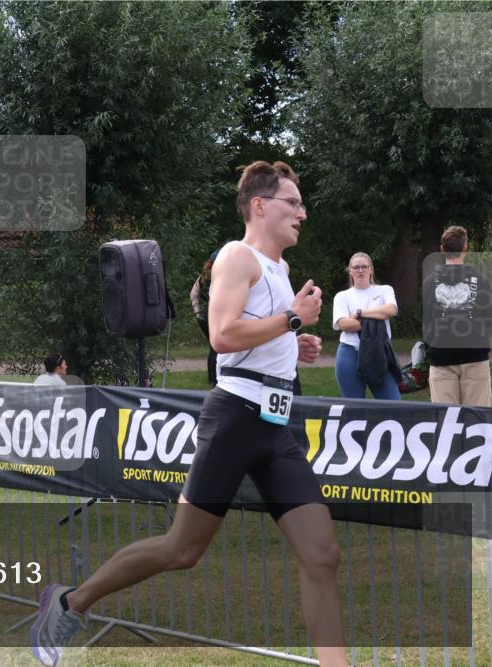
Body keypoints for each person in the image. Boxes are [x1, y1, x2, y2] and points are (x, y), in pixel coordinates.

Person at [31, 161, 345, 667]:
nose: (302, 214)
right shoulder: (236, 257)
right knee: (182, 549)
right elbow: (222, 336)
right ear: (260, 206)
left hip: (275, 427)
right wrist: (290, 319)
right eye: (293, 202)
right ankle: (69, 602)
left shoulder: (281, 271)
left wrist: (294, 340)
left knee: (322, 555)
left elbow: (255, 334)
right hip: (236, 419)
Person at [422, 225, 492, 406]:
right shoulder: (482, 280)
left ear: (442, 250)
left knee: (447, 424)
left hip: (441, 358)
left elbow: (427, 320)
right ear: (465, 249)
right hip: (475, 356)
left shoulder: (429, 283)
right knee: (477, 422)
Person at [332, 252, 402, 400]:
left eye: (364, 266)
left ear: (371, 269)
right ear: (350, 270)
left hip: (379, 352)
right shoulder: (342, 296)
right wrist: (377, 318)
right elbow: (344, 324)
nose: (360, 270)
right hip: (349, 353)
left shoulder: (384, 290)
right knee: (354, 409)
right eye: (356, 267)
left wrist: (360, 313)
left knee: (393, 406)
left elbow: (391, 310)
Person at [190, 251, 219, 385]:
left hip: (205, 315)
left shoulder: (205, 275)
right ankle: (214, 379)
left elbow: (193, 294)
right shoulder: (220, 275)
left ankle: (212, 378)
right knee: (217, 348)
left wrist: (197, 313)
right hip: (216, 314)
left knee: (214, 347)